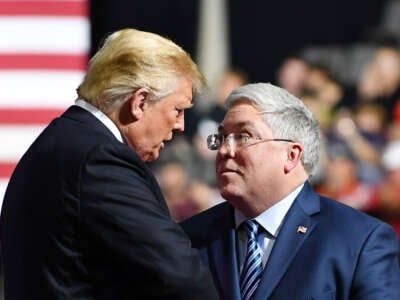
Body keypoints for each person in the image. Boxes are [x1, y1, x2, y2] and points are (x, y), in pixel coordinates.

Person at [0, 28, 218, 299]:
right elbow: (180, 275)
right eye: (178, 109)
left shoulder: (60, 141)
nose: (180, 125)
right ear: (140, 102)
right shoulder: (100, 161)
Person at [181, 82, 400, 299]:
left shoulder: (360, 240)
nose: (225, 150)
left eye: (243, 136)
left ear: (292, 155)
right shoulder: (188, 238)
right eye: (221, 138)